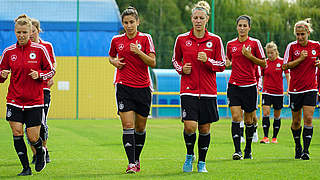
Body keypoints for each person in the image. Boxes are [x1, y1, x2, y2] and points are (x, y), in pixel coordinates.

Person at [172, 1, 225, 172]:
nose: (198, 21)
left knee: (204, 128)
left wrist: (208, 61)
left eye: (201, 18)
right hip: (188, 90)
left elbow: (222, 64)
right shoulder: (181, 39)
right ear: (191, 19)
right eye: (195, 18)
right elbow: (175, 60)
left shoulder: (215, 40)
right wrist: (182, 69)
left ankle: (202, 162)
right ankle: (189, 155)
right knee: (189, 126)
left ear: (207, 19)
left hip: (209, 93)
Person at [0, 14, 55, 176]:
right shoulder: (9, 52)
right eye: (19, 32)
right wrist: (2, 75)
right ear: (15, 32)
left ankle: (41, 151)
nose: (22, 35)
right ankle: (25, 168)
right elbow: (1, 76)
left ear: (30, 31)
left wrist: (40, 75)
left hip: (35, 101)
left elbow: (51, 70)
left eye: (25, 32)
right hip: (14, 100)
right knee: (17, 133)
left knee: (33, 137)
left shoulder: (40, 50)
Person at [108, 6, 156, 173]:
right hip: (123, 87)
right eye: (126, 22)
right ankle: (131, 163)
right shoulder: (116, 40)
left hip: (143, 87)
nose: (129, 25)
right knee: (127, 124)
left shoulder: (145, 39)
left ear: (138, 22)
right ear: (122, 23)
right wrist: (114, 62)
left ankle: (136, 159)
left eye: (132, 22)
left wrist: (139, 52)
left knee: (140, 128)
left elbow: (152, 62)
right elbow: (111, 56)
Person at [226, 15, 266, 160]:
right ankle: (237, 151)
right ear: (236, 27)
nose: (242, 28)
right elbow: (228, 60)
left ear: (249, 27)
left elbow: (264, 64)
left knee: (249, 120)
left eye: (245, 26)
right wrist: (226, 63)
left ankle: (248, 149)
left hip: (250, 86)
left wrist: (250, 56)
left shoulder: (255, 43)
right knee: (236, 117)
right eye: (240, 25)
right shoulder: (230, 44)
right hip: (234, 85)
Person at [282, 18, 320, 160]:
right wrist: (300, 60)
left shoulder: (316, 46)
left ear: (308, 33)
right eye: (297, 34)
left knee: (308, 118)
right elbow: (284, 66)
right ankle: (297, 146)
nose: (300, 37)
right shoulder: (291, 47)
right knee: (296, 122)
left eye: (302, 34)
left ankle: (306, 150)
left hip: (311, 88)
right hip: (295, 89)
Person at [27, 18, 57, 164]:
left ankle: (44, 151)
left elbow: (52, 66)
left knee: (42, 122)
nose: (31, 34)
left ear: (39, 30)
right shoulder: (24, 48)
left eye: (33, 31)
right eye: (29, 31)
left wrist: (46, 76)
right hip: (27, 91)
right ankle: (35, 154)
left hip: (43, 89)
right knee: (29, 125)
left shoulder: (47, 46)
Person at [260, 41, 290, 144]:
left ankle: (274, 138)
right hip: (267, 92)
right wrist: (263, 87)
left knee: (277, 115)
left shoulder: (282, 62)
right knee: (266, 113)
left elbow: (287, 75)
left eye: (272, 52)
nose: (270, 55)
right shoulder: (265, 63)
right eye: (268, 53)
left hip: (278, 93)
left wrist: (289, 87)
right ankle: (265, 137)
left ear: (276, 52)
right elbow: (262, 76)